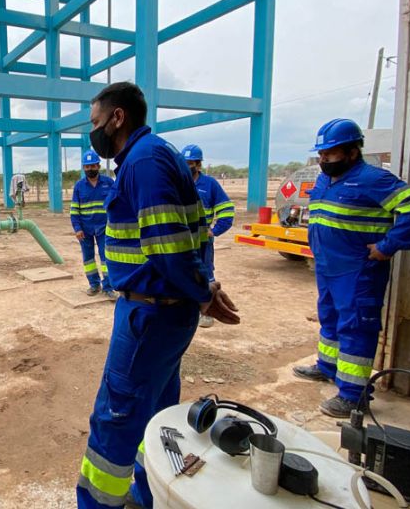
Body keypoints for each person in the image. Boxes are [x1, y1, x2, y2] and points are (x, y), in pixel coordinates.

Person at [75, 82, 240, 509]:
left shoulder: (145, 161)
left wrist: (201, 292)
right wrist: (202, 289)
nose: (92, 132)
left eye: (95, 122)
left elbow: (167, 244)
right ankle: (147, 494)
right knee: (157, 411)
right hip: (164, 310)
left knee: (116, 416)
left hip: (149, 314)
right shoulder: (150, 157)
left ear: (118, 117)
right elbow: (190, 235)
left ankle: (99, 503)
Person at [293, 118, 410, 418]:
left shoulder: (373, 180)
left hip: (358, 270)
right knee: (329, 318)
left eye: (329, 154)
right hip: (329, 266)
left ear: (352, 152)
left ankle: (353, 396)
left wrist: (387, 246)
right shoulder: (325, 179)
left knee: (356, 327)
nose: (323, 160)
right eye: (321, 155)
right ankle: (327, 366)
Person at [182, 144, 235, 328]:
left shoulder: (210, 184)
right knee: (184, 272)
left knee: (205, 273)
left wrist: (214, 230)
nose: (186, 166)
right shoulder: (177, 183)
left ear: (198, 164)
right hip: (182, 240)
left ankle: (207, 312)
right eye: (184, 162)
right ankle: (187, 309)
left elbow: (227, 211)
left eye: (189, 163)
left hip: (203, 241)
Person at [71, 150, 116, 300]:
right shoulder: (79, 186)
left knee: (106, 258)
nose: (90, 169)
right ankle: (94, 284)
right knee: (88, 259)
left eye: (93, 166)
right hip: (85, 229)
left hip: (105, 228)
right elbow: (74, 210)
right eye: (87, 166)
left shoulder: (109, 183)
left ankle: (108, 287)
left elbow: (117, 203)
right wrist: (77, 228)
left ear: (98, 165)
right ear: (83, 168)